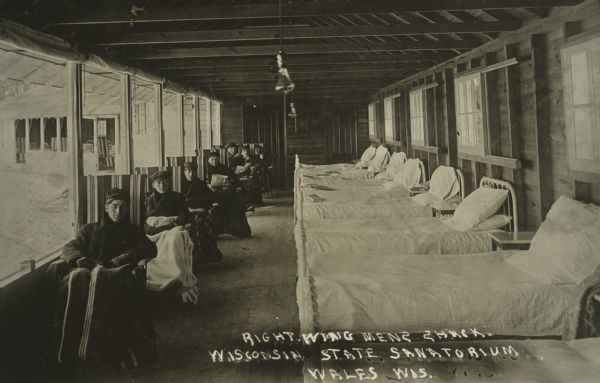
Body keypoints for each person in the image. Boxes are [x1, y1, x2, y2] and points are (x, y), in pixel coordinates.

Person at [47, 188, 159, 368]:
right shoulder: (89, 229)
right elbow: (69, 247)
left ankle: (98, 349)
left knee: (104, 280)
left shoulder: (133, 231)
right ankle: (74, 347)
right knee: (76, 277)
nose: (118, 211)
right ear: (106, 208)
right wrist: (79, 259)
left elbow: (150, 249)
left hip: (116, 273)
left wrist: (125, 257)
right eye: (114, 206)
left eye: (123, 207)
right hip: (88, 270)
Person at [146, 171, 222, 280]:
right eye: (158, 183)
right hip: (158, 229)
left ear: (169, 183)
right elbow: (149, 218)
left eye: (164, 182)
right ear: (153, 185)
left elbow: (184, 216)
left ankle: (180, 269)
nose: (162, 185)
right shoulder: (150, 199)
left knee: (180, 235)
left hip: (175, 226)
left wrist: (172, 222)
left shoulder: (177, 196)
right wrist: (160, 225)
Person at [205, 153, 252, 237]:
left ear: (219, 159)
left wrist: (229, 183)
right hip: (209, 193)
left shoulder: (224, 168)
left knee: (234, 202)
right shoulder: (204, 169)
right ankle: (218, 229)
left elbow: (234, 180)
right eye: (212, 159)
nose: (214, 161)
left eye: (216, 159)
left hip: (224, 192)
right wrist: (207, 185)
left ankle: (236, 229)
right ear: (208, 160)